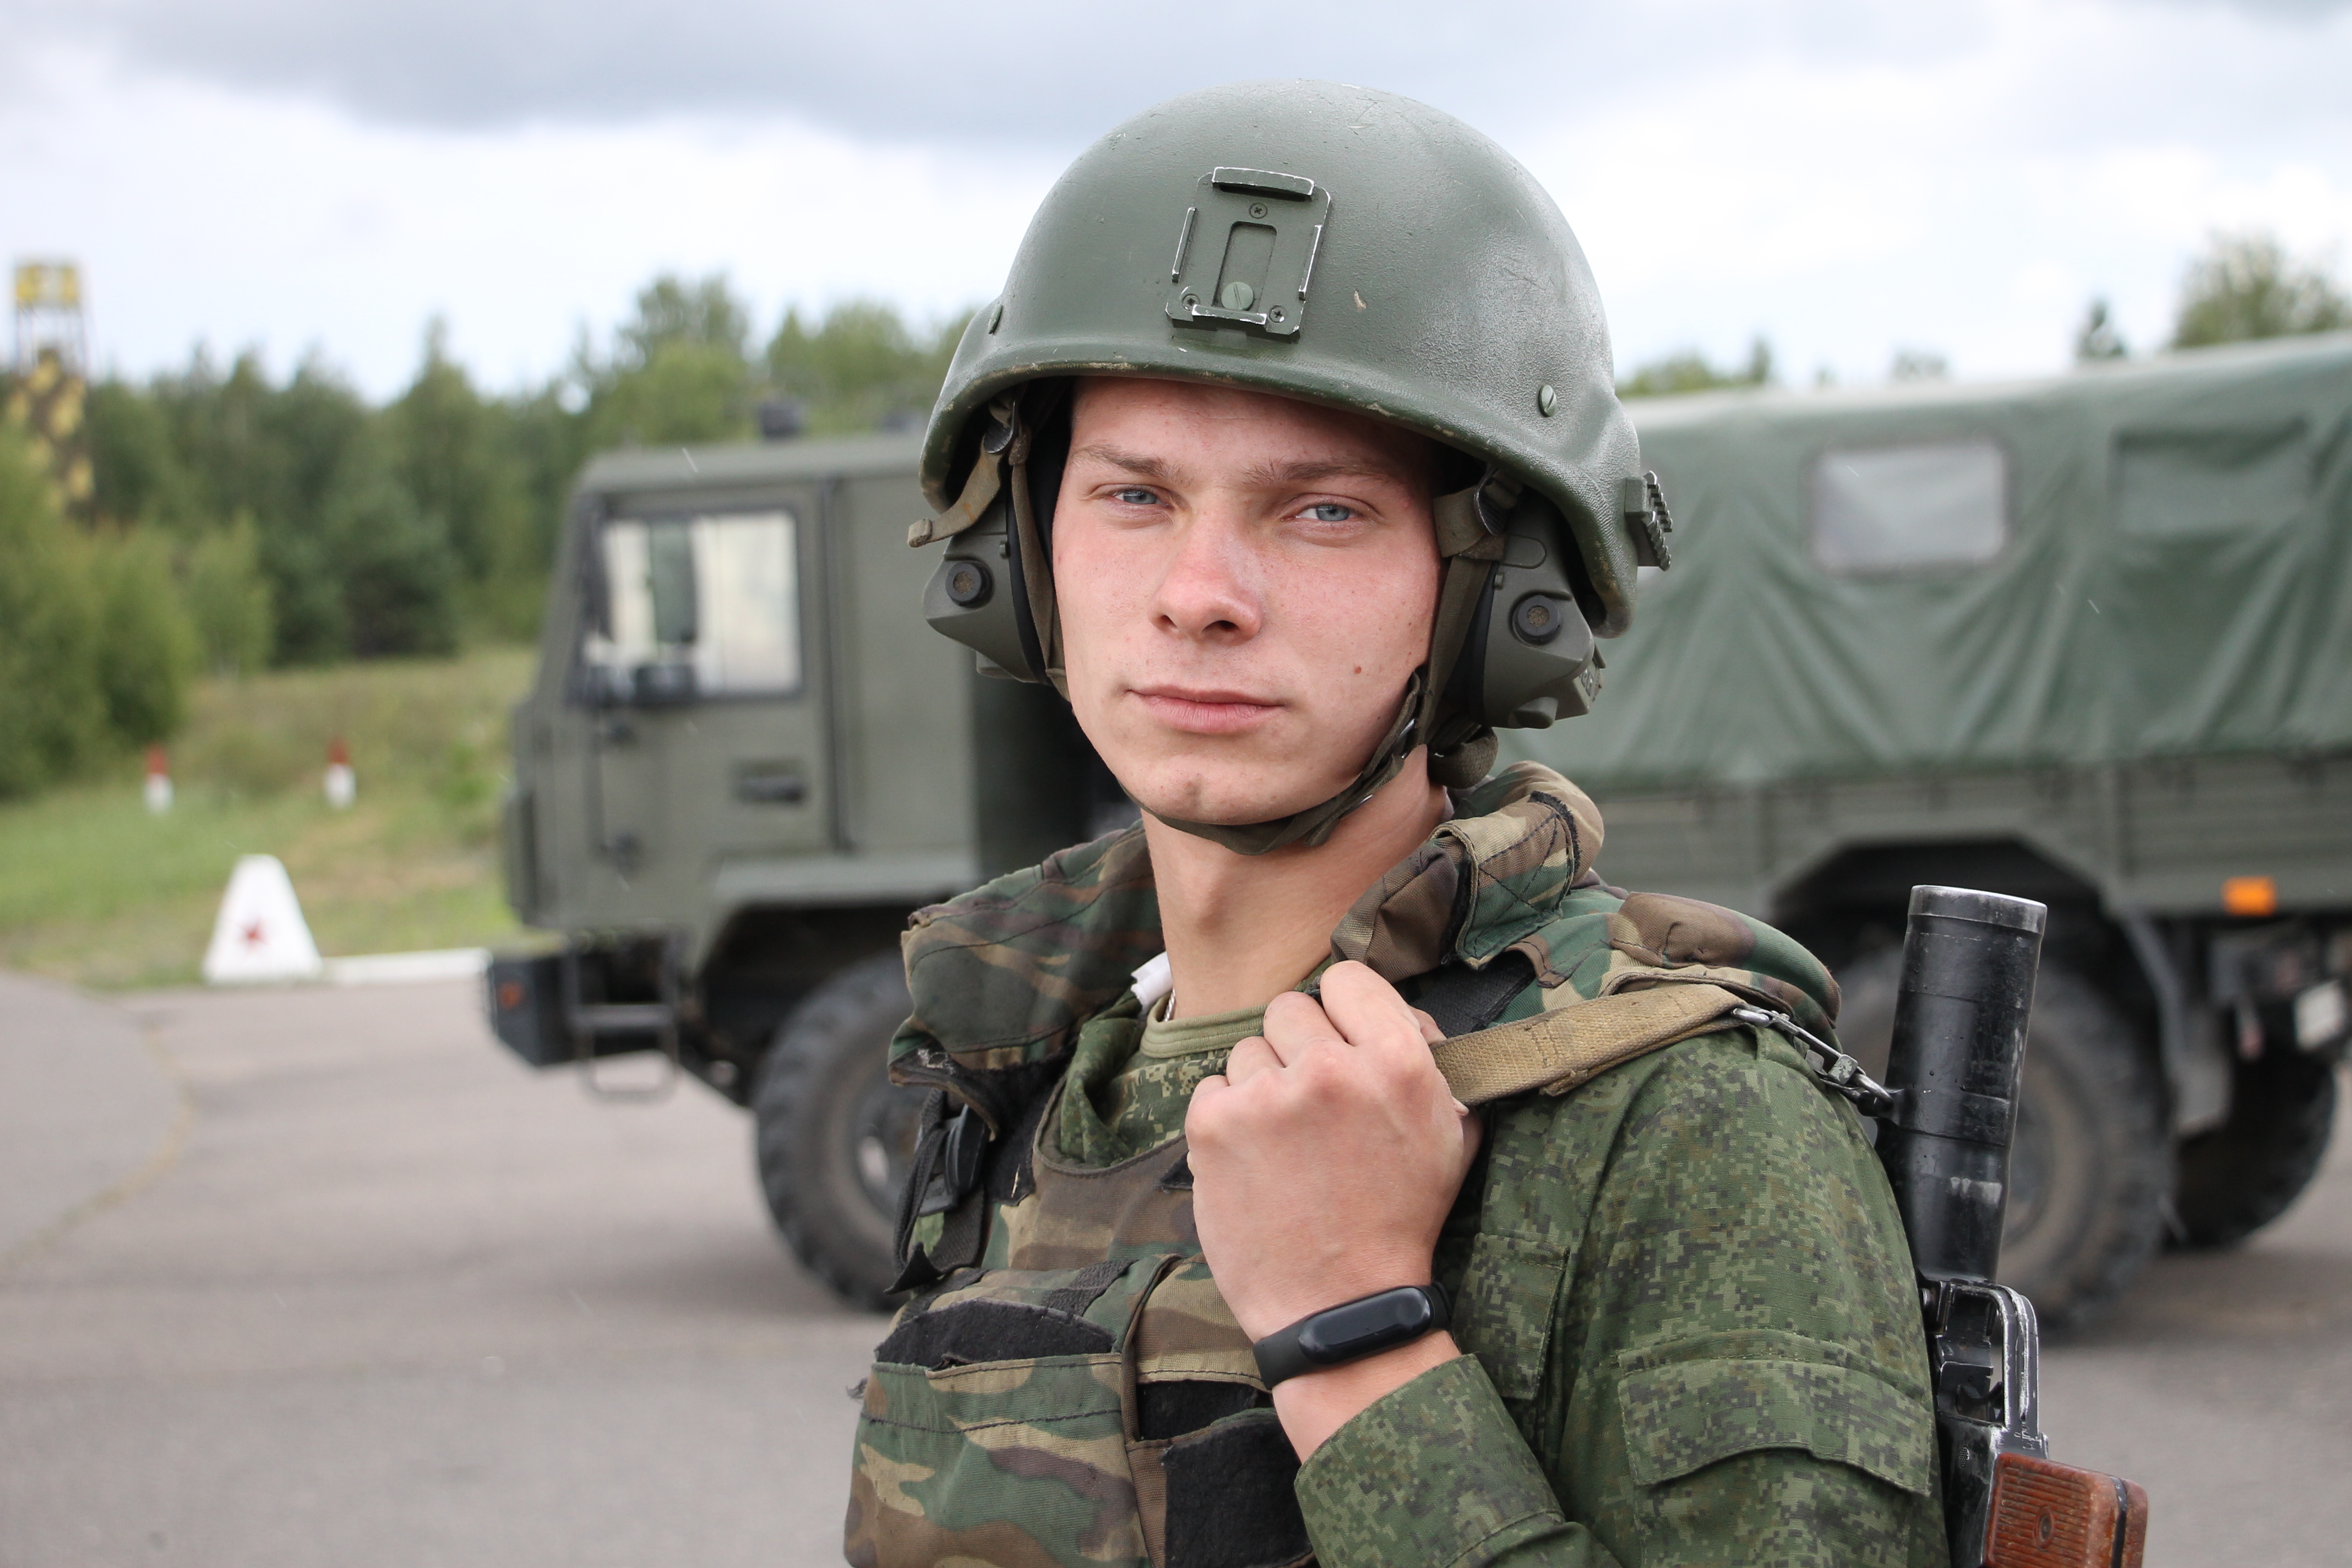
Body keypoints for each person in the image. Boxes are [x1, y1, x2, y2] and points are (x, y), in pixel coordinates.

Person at [847, 79, 1943, 1568]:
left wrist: (1359, 1338)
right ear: (1020, 547)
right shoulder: (1022, 1061)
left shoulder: (1679, 1128)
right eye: (1133, 496)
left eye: (1324, 513)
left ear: (1496, 596)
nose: (1199, 593)